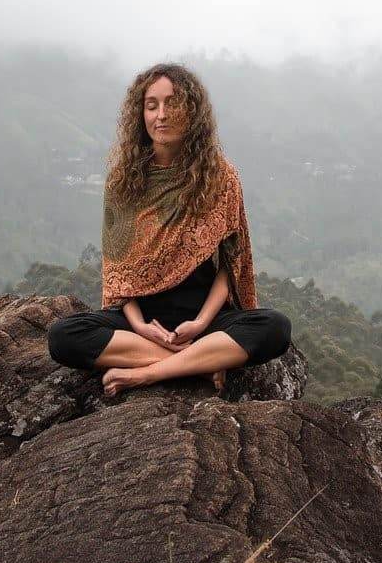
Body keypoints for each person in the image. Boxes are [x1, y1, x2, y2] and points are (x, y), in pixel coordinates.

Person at [47, 63, 292, 398]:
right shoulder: (123, 180)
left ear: (191, 111)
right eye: (151, 106)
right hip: (143, 320)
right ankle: (199, 364)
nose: (161, 115)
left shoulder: (221, 178)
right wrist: (139, 326)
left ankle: (146, 374)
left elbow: (230, 265)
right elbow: (119, 272)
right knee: (63, 337)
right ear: (140, 114)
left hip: (202, 318)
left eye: (172, 103)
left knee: (275, 329)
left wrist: (202, 323)